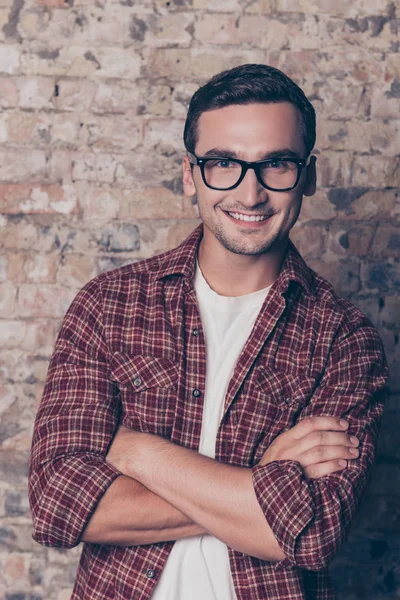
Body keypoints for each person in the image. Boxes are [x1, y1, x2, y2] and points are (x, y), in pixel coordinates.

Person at [29, 64, 388, 600]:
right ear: (189, 175)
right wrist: (260, 483)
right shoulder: (109, 305)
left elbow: (310, 533)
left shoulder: (345, 338)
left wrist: (139, 454)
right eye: (224, 163)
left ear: (309, 176)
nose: (250, 194)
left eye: (277, 165)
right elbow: (58, 505)